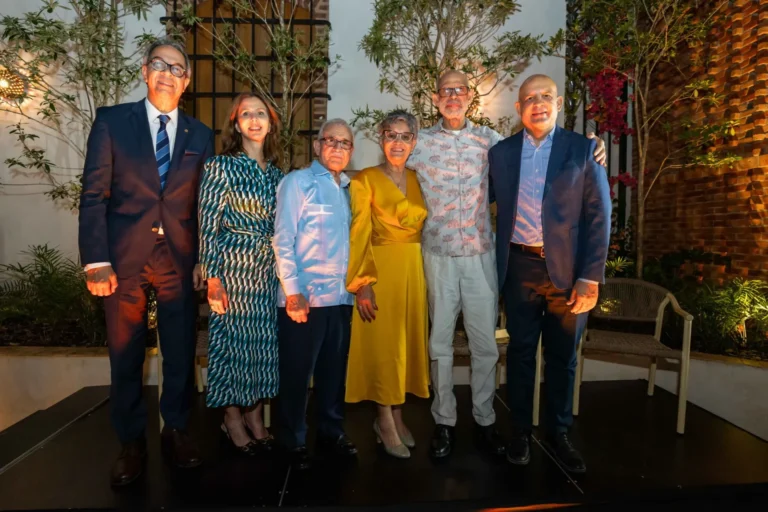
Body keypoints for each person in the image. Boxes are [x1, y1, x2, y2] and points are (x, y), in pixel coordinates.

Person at [407, 70, 607, 459]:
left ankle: (487, 420)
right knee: (441, 344)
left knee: (488, 346)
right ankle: (445, 421)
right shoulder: (421, 143)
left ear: (471, 97)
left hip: (485, 255)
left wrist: (594, 145)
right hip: (441, 255)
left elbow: (589, 201)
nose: (453, 96)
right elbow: (393, 161)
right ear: (435, 98)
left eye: (460, 89)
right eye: (446, 90)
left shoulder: (492, 142)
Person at [78, 38, 213, 486]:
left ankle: (176, 431)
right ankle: (131, 442)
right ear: (144, 70)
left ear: (186, 82)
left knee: (180, 351)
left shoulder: (200, 135)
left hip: (179, 258)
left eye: (176, 68)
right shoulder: (113, 121)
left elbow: (206, 205)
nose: (167, 74)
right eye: (159, 64)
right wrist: (96, 260)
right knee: (125, 354)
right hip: (123, 259)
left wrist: (205, 260)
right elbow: (93, 194)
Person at [489, 74, 611, 474]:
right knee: (520, 354)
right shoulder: (501, 153)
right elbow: (473, 195)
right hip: (518, 268)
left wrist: (590, 276)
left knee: (563, 357)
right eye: (529, 98)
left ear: (558, 103)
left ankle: (559, 433)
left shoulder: (584, 149)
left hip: (570, 273)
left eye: (545, 96)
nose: (537, 103)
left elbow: (600, 215)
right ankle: (520, 431)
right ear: (519, 108)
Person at [198, 93, 284, 455]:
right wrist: (212, 278)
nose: (254, 119)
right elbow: (208, 225)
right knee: (232, 347)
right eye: (246, 114)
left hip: (266, 272)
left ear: (271, 123)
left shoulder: (277, 174)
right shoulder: (220, 166)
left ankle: (255, 416)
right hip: (232, 269)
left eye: (261, 113)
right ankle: (231, 418)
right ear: (235, 124)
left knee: (260, 347)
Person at [272, 119, 359, 470]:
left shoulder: (350, 189)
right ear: (317, 145)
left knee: (333, 373)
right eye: (330, 140)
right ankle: (291, 439)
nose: (337, 147)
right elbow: (282, 239)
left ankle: (330, 431)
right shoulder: (298, 182)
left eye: (345, 142)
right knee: (296, 374)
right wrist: (292, 292)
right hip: (304, 300)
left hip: (340, 298)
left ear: (351, 151)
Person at [346, 110, 429, 459]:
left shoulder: (418, 178)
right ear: (381, 139)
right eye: (391, 135)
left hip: (413, 270)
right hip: (380, 271)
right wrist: (363, 283)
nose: (398, 142)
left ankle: (397, 413)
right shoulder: (365, 179)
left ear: (414, 141)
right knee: (384, 347)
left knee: (405, 345)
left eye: (405, 136)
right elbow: (358, 234)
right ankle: (383, 419)